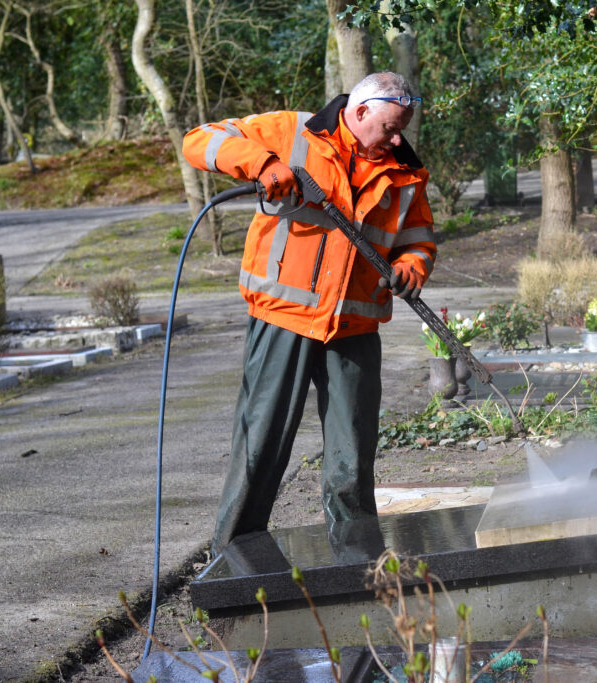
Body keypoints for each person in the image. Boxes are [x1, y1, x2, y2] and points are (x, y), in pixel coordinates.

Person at [182, 72, 436, 554]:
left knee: (353, 455)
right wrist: (261, 164)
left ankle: (360, 568)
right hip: (284, 318)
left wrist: (410, 268)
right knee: (261, 443)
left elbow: (419, 239)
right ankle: (234, 562)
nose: (398, 137)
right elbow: (199, 140)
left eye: (402, 127)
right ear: (360, 113)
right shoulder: (292, 133)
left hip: (356, 328)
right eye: (390, 127)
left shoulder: (405, 172)